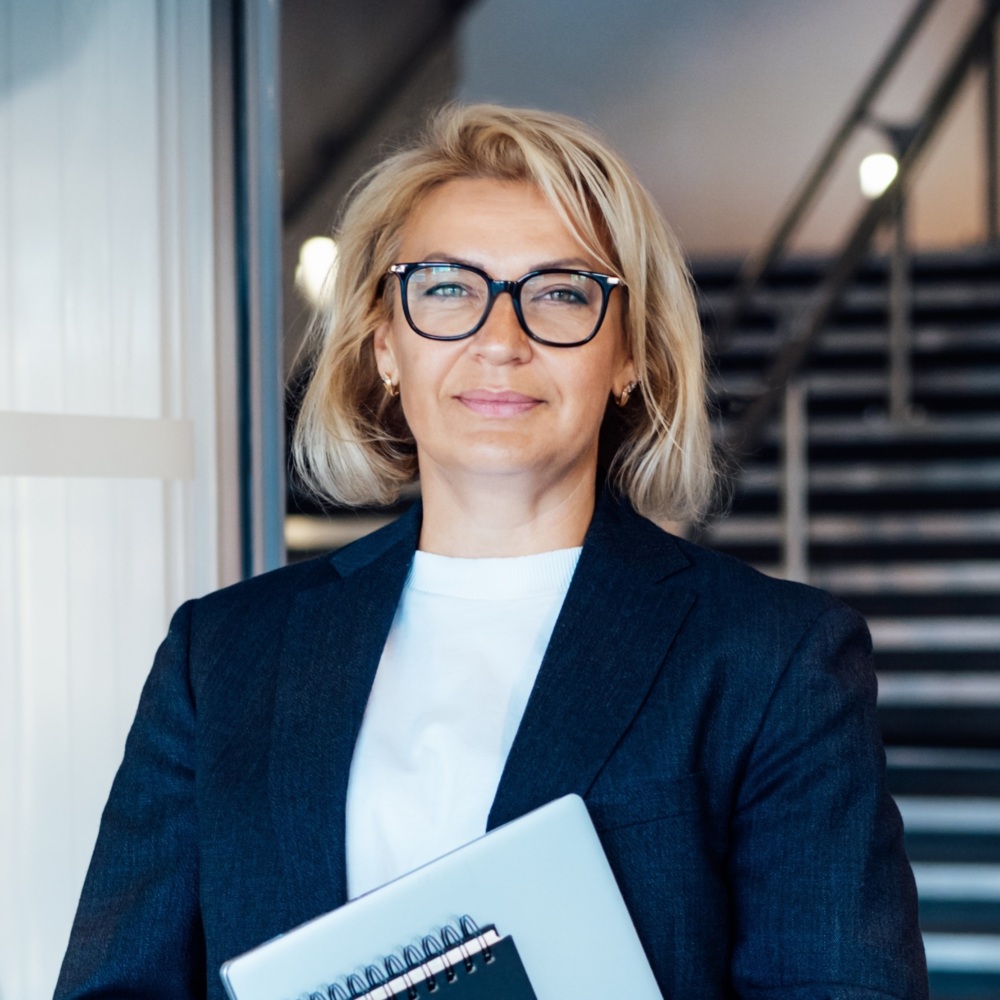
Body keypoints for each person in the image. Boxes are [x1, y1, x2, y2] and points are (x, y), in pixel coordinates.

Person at [54, 104, 928, 1000]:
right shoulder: (222, 657)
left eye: (559, 293)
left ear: (629, 354)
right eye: (445, 289)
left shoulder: (772, 659)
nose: (500, 342)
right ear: (383, 343)